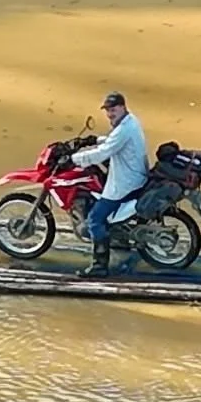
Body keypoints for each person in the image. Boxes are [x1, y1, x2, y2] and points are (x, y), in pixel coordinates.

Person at [69, 91, 148, 277]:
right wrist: (93, 139)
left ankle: (99, 266)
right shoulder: (130, 121)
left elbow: (104, 153)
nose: (110, 114)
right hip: (135, 176)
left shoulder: (124, 129)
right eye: (107, 110)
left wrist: (74, 159)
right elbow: (113, 142)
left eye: (113, 109)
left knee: (95, 219)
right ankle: (117, 239)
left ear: (122, 107)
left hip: (126, 182)